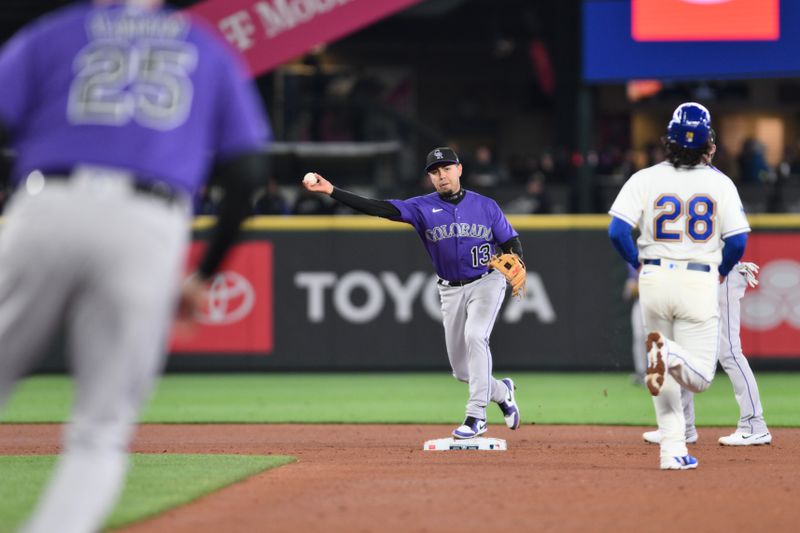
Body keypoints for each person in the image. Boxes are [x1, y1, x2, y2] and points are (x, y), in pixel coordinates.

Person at [0, 1, 270, 532]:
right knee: (100, 433)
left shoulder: (56, 31)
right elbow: (247, 174)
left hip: (45, 202)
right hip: (148, 220)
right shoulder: (208, 48)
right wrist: (205, 274)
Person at [302, 147, 523, 439]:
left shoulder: (486, 206)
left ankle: (476, 416)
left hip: (487, 282)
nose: (441, 175)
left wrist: (517, 259)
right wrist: (332, 191)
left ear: (459, 169)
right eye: (434, 171)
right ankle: (501, 391)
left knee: (475, 336)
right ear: (430, 178)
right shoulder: (421, 207)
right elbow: (378, 207)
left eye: (446, 168)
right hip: (450, 291)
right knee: (462, 370)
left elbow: (510, 242)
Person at [608, 102, 750, 470]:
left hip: (653, 277)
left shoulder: (645, 178)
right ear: (710, 144)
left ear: (667, 140)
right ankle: (666, 355)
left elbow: (617, 231)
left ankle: (673, 449)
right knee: (699, 375)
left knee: (665, 370)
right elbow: (736, 242)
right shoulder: (719, 182)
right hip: (698, 277)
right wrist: (723, 270)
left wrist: (638, 263)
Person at [641, 261, 771, 446]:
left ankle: (754, 425)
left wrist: (724, 270)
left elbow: (737, 242)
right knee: (682, 350)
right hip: (696, 280)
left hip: (720, 279)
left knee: (730, 353)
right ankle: (682, 428)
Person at [623, 263, 646, 387]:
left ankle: (661, 372)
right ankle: (641, 373)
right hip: (641, 303)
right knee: (639, 337)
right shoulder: (635, 259)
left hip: (661, 302)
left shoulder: (662, 254)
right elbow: (630, 289)